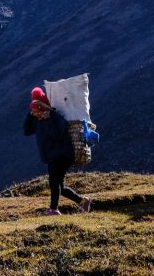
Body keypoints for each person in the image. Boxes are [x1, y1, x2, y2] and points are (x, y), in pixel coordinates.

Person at [23, 87, 91, 216]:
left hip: (62, 154)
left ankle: (54, 209)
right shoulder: (38, 120)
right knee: (60, 186)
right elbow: (26, 131)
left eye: (36, 110)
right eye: (33, 111)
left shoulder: (56, 117)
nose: (36, 114)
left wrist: (48, 118)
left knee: (54, 182)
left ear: (43, 108)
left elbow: (57, 135)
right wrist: (30, 116)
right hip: (52, 155)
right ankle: (83, 201)